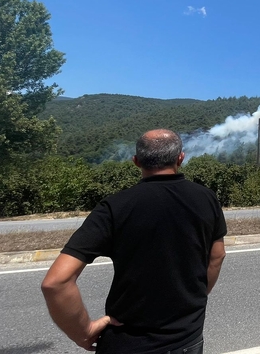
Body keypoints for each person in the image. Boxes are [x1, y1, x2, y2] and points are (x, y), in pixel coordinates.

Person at [42, 129, 227, 353]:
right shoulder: (207, 198)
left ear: (136, 162)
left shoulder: (114, 207)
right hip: (188, 340)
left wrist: (83, 331)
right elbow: (217, 256)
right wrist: (195, 297)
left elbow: (56, 283)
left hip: (128, 343)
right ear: (180, 158)